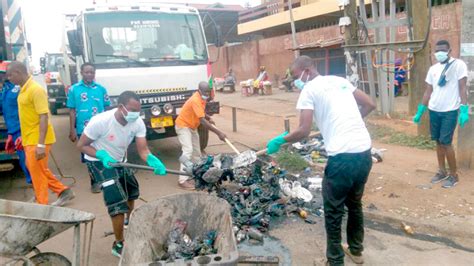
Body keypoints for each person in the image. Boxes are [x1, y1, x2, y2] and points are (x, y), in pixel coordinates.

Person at [266, 56, 376, 266]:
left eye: (297, 76)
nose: (297, 81)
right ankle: (356, 251)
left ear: (306, 70)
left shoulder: (309, 90)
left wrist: (281, 140)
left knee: (334, 211)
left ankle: (334, 261)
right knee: (354, 204)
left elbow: (303, 130)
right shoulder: (338, 81)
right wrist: (351, 122)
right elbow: (370, 104)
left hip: (342, 157)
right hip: (364, 152)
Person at [77, 91, 166, 258]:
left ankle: (128, 221)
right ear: (121, 107)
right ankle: (118, 243)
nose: (135, 114)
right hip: (98, 160)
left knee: (132, 189)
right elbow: (81, 145)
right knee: (116, 200)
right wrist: (102, 155)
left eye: (138, 111)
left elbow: (143, 149)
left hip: (119, 159)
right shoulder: (101, 121)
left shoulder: (137, 122)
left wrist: (153, 160)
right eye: (132, 110)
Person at [7, 61, 74, 206]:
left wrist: (40, 144)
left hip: (37, 139)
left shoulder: (36, 90)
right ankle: (62, 191)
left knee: (37, 173)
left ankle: (42, 205)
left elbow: (44, 116)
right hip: (29, 137)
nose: (9, 78)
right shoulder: (23, 89)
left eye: (10, 75)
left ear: (18, 72)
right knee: (36, 168)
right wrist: (21, 138)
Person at [413, 40, 469, 188]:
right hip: (434, 110)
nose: (439, 53)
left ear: (449, 50)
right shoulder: (433, 69)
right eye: (437, 51)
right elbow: (428, 90)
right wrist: (421, 109)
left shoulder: (459, 65)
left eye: (443, 50)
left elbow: (462, 88)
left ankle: (453, 175)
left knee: (446, 142)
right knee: (438, 141)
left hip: (450, 110)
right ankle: (442, 171)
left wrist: (464, 109)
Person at [67, 63, 110, 193]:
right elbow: (72, 111)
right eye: (87, 72)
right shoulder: (74, 90)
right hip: (83, 130)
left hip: (101, 129)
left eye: (92, 72)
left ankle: (106, 180)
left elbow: (107, 109)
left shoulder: (101, 89)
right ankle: (94, 183)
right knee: (89, 157)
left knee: (103, 155)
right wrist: (72, 129)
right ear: (81, 73)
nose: (89, 74)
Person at [175, 81, 227, 190]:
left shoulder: (201, 98)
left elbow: (201, 112)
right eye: (205, 92)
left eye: (208, 92)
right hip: (183, 126)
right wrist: (219, 133)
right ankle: (182, 180)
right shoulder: (195, 99)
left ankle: (195, 174)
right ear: (199, 90)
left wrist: (208, 117)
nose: (207, 95)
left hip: (192, 126)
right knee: (188, 150)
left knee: (197, 152)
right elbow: (202, 121)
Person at [0, 61, 32, 184]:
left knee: (27, 159)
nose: (3, 76)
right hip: (13, 130)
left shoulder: (18, 88)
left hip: (22, 129)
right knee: (23, 159)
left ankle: (36, 184)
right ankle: (34, 183)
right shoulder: (5, 89)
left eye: (4, 74)